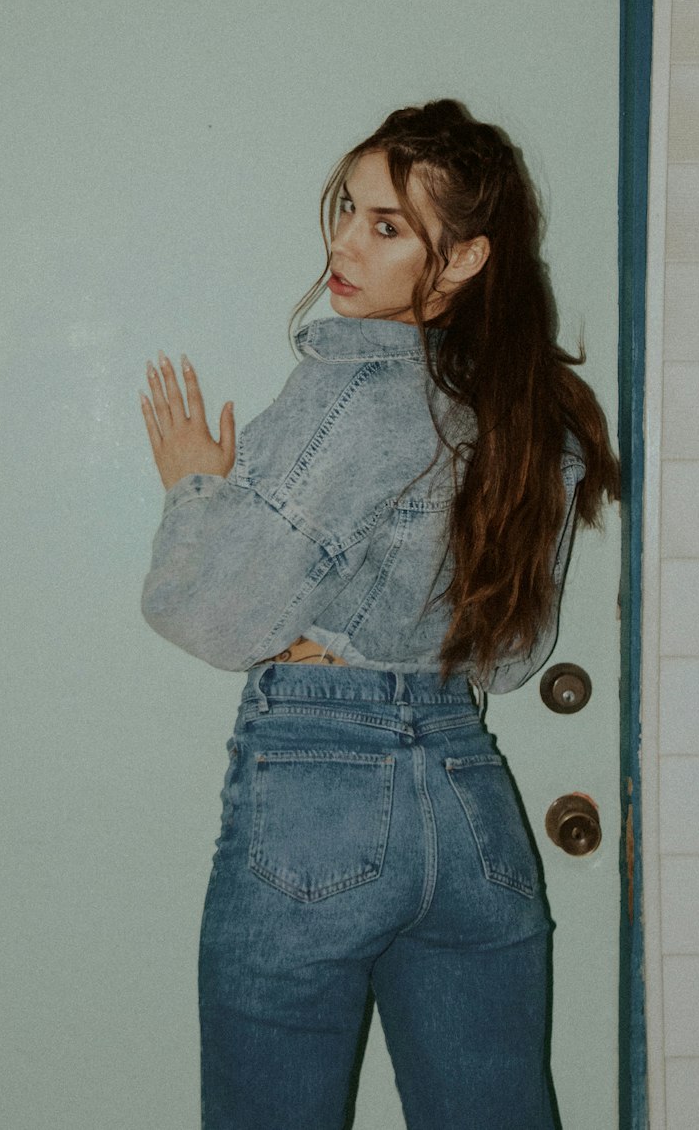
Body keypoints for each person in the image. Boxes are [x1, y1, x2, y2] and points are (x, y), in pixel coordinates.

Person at [139, 99, 619, 1130]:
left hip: (318, 791)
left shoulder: (351, 386)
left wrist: (193, 490)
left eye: (386, 225)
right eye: (348, 209)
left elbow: (212, 617)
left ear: (463, 260)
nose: (343, 243)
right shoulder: (535, 413)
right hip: (465, 794)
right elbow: (506, 659)